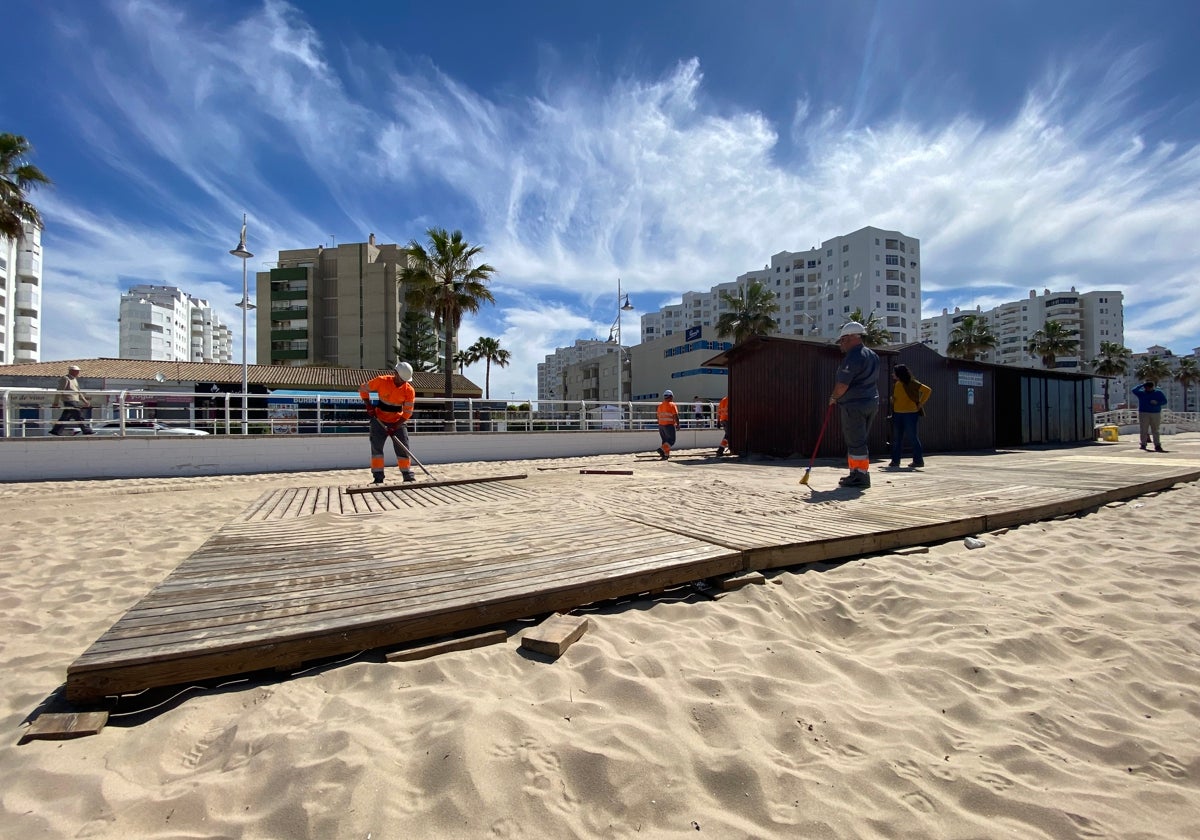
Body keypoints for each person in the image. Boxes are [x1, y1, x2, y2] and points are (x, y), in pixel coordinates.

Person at [828, 322, 880, 488]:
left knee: (855, 440)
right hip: (871, 401)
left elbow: (843, 384)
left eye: (842, 340)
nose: (841, 345)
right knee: (860, 440)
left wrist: (834, 397)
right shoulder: (872, 355)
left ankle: (860, 475)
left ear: (850, 338)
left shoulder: (853, 356)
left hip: (854, 404)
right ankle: (857, 473)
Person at [359, 361, 417, 484]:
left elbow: (407, 413)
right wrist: (368, 405)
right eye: (401, 379)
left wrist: (395, 426)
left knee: (403, 448)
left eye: (405, 380)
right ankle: (378, 477)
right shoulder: (381, 381)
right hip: (379, 420)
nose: (402, 382)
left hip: (398, 421)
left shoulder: (409, 390)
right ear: (395, 373)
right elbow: (363, 388)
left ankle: (407, 474)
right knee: (376, 449)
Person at [888, 364, 931, 469]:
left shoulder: (912, 383)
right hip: (897, 413)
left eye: (894, 372)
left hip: (910, 414)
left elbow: (927, 390)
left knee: (912, 437)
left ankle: (918, 461)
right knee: (897, 438)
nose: (892, 374)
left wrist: (921, 403)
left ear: (899, 374)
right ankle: (895, 461)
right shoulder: (897, 384)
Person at [49, 364, 95, 436]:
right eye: (76, 371)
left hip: (75, 400)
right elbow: (60, 390)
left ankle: (56, 430)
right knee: (78, 415)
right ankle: (85, 429)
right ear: (71, 371)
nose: (78, 373)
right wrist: (56, 402)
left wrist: (85, 401)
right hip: (69, 400)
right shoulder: (65, 378)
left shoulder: (74, 380)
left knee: (66, 416)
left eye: (78, 371)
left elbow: (78, 392)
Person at [1131, 379, 1168, 452]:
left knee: (1155, 430)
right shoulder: (1142, 393)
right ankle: (1143, 444)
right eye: (1146, 387)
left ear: (1153, 387)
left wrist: (1157, 403)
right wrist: (1142, 385)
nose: (1147, 389)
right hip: (1143, 413)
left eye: (1149, 387)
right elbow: (1133, 390)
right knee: (1143, 429)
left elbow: (1164, 401)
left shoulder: (1158, 393)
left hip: (1155, 413)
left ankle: (1157, 445)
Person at [655, 389, 680, 460]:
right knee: (671, 441)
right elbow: (675, 415)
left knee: (665, 441)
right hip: (669, 425)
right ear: (671, 397)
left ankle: (665, 455)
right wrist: (678, 424)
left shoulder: (660, 405)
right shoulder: (672, 405)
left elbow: (658, 416)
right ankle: (661, 449)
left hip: (661, 426)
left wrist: (660, 424)